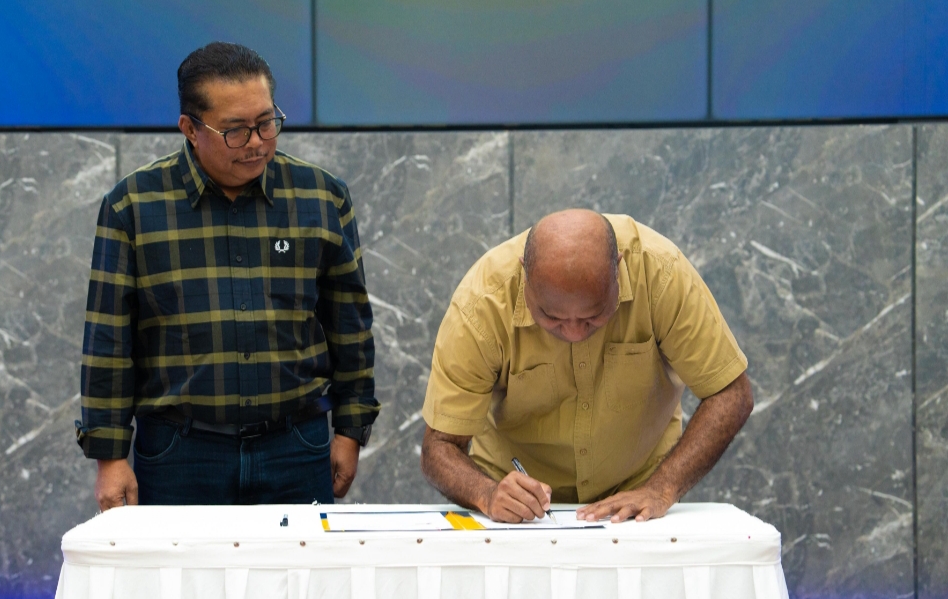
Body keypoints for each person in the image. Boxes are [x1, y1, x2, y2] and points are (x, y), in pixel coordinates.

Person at [76, 42, 379, 511]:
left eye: (267, 122)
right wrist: (110, 457)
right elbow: (108, 342)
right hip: (179, 454)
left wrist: (350, 429)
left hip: (296, 448)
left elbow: (350, 327)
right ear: (190, 129)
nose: (257, 142)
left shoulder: (321, 198)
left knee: (297, 565)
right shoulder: (133, 206)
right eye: (236, 130)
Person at [420, 209, 753, 523]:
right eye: (551, 317)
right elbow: (440, 446)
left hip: (638, 498)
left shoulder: (661, 274)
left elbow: (730, 394)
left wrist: (661, 489)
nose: (575, 333)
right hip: (517, 506)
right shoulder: (481, 304)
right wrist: (487, 493)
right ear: (524, 275)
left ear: (618, 268)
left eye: (594, 315)